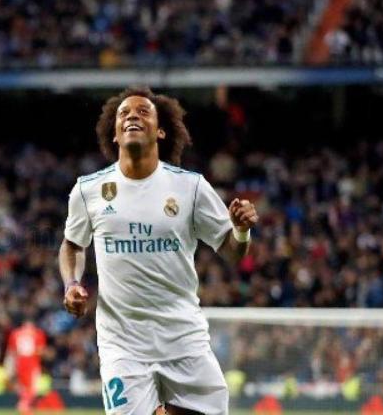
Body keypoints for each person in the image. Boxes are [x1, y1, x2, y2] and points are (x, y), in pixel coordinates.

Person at [58, 87, 259, 415]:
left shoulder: (190, 188)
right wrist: (72, 283)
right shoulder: (88, 190)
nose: (132, 116)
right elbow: (73, 244)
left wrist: (241, 228)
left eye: (142, 112)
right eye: (124, 113)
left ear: (161, 131)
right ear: (114, 133)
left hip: (182, 336)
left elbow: (235, 252)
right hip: (122, 343)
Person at [6, 317, 47, 414]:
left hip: (20, 363)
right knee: (32, 388)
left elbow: (12, 351)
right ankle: (23, 405)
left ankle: (25, 406)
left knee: (23, 388)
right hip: (32, 362)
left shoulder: (15, 333)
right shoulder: (37, 333)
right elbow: (40, 351)